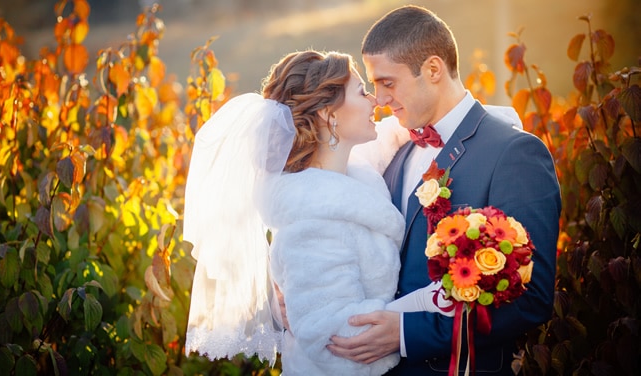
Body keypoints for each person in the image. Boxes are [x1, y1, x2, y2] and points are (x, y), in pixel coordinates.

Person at [183, 50, 454, 376]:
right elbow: (340, 341)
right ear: (329, 114)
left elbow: (392, 134)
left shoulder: (351, 173)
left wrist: (485, 120)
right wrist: (431, 300)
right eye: (360, 91)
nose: (375, 101)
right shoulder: (312, 223)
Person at [327, 5, 562, 375]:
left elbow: (531, 298)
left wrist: (405, 333)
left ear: (433, 69)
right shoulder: (394, 154)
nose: (380, 99)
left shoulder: (514, 153)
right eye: (373, 86)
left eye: (388, 82)